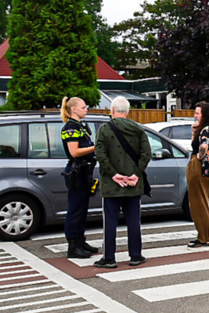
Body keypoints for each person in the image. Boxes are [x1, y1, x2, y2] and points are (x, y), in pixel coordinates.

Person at [94, 97, 151, 269]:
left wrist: (113, 174)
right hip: (134, 184)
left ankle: (109, 258)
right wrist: (136, 174)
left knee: (110, 222)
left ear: (112, 110)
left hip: (111, 185)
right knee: (133, 221)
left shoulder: (104, 129)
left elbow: (100, 154)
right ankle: (135, 255)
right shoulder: (138, 129)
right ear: (127, 111)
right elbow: (146, 154)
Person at [60, 96, 98, 259]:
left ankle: (81, 241)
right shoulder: (70, 128)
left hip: (84, 171)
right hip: (76, 172)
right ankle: (73, 246)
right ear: (73, 109)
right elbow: (74, 152)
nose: (86, 109)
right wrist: (95, 147)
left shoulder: (80, 126)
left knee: (82, 209)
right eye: (83, 107)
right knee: (75, 210)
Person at [187, 101, 209, 248]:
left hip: (199, 167)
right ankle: (204, 235)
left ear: (204, 115)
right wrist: (195, 132)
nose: (195, 115)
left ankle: (203, 237)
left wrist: (200, 157)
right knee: (203, 202)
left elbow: (204, 146)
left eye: (197, 113)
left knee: (198, 204)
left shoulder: (206, 130)